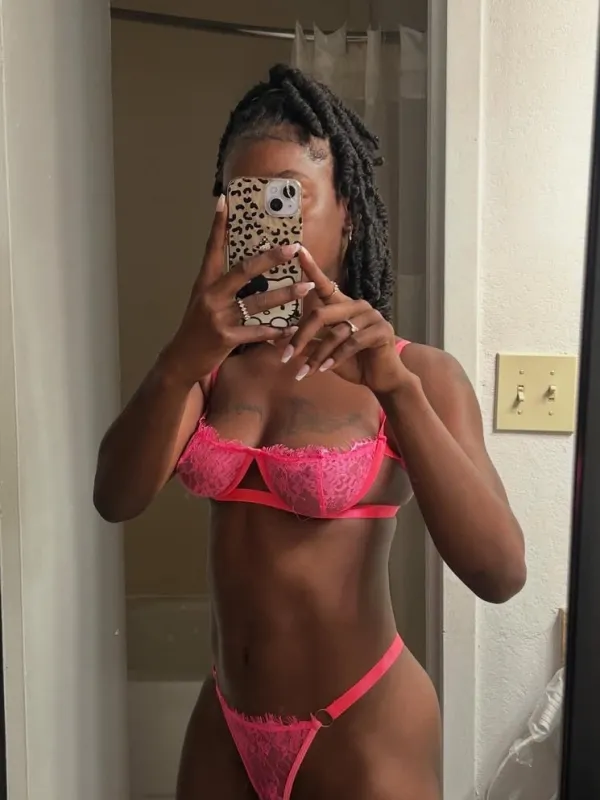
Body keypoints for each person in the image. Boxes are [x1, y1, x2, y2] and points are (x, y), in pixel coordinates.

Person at [94, 64, 526, 800]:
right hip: (224, 723)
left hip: (363, 727)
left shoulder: (419, 372)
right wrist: (179, 359)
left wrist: (394, 387)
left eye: (288, 198)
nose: (269, 227)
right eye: (245, 201)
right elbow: (115, 498)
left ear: (348, 211)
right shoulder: (208, 370)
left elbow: (500, 573)